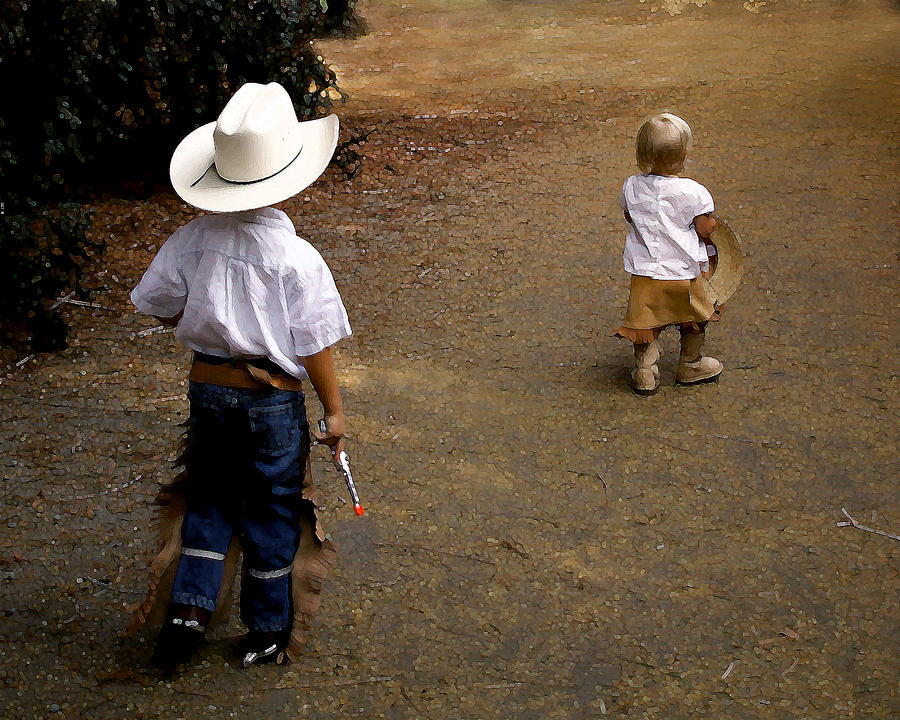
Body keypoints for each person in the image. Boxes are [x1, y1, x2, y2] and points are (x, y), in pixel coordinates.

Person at [129, 81, 351, 669]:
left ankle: (187, 616)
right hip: (272, 401)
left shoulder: (190, 242)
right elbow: (314, 343)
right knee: (272, 506)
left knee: (211, 498)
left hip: (209, 391)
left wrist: (201, 319)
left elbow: (155, 301)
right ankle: (268, 628)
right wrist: (333, 409)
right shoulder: (295, 256)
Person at [614, 112, 723, 395]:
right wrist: (710, 223)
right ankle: (690, 363)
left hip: (645, 273)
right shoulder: (693, 192)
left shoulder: (631, 185)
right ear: (684, 154)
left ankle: (645, 372)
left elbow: (630, 216)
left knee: (645, 326)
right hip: (683, 272)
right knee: (695, 319)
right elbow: (705, 228)